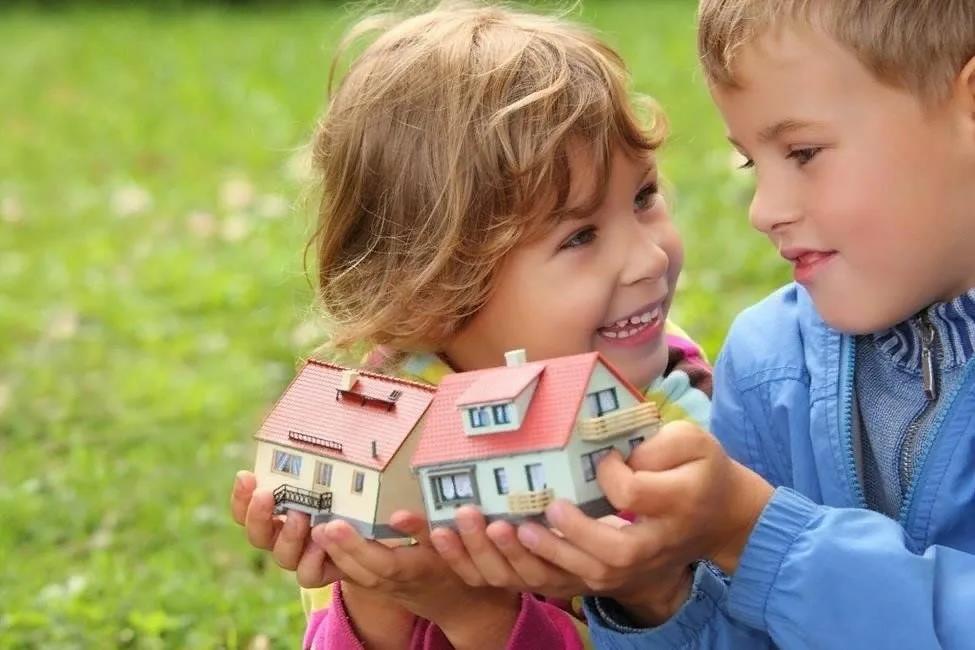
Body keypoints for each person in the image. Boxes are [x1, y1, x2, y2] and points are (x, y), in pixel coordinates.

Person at [229, 2, 714, 648]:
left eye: (643, 197)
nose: (648, 257)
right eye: (579, 237)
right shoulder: (378, 441)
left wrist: (470, 611)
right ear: (435, 290)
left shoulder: (669, 419)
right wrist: (373, 592)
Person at [491, 1, 975, 647]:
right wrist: (653, 593)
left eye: (802, 152)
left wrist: (754, 536)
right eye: (752, 163)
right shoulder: (768, 362)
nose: (764, 210)